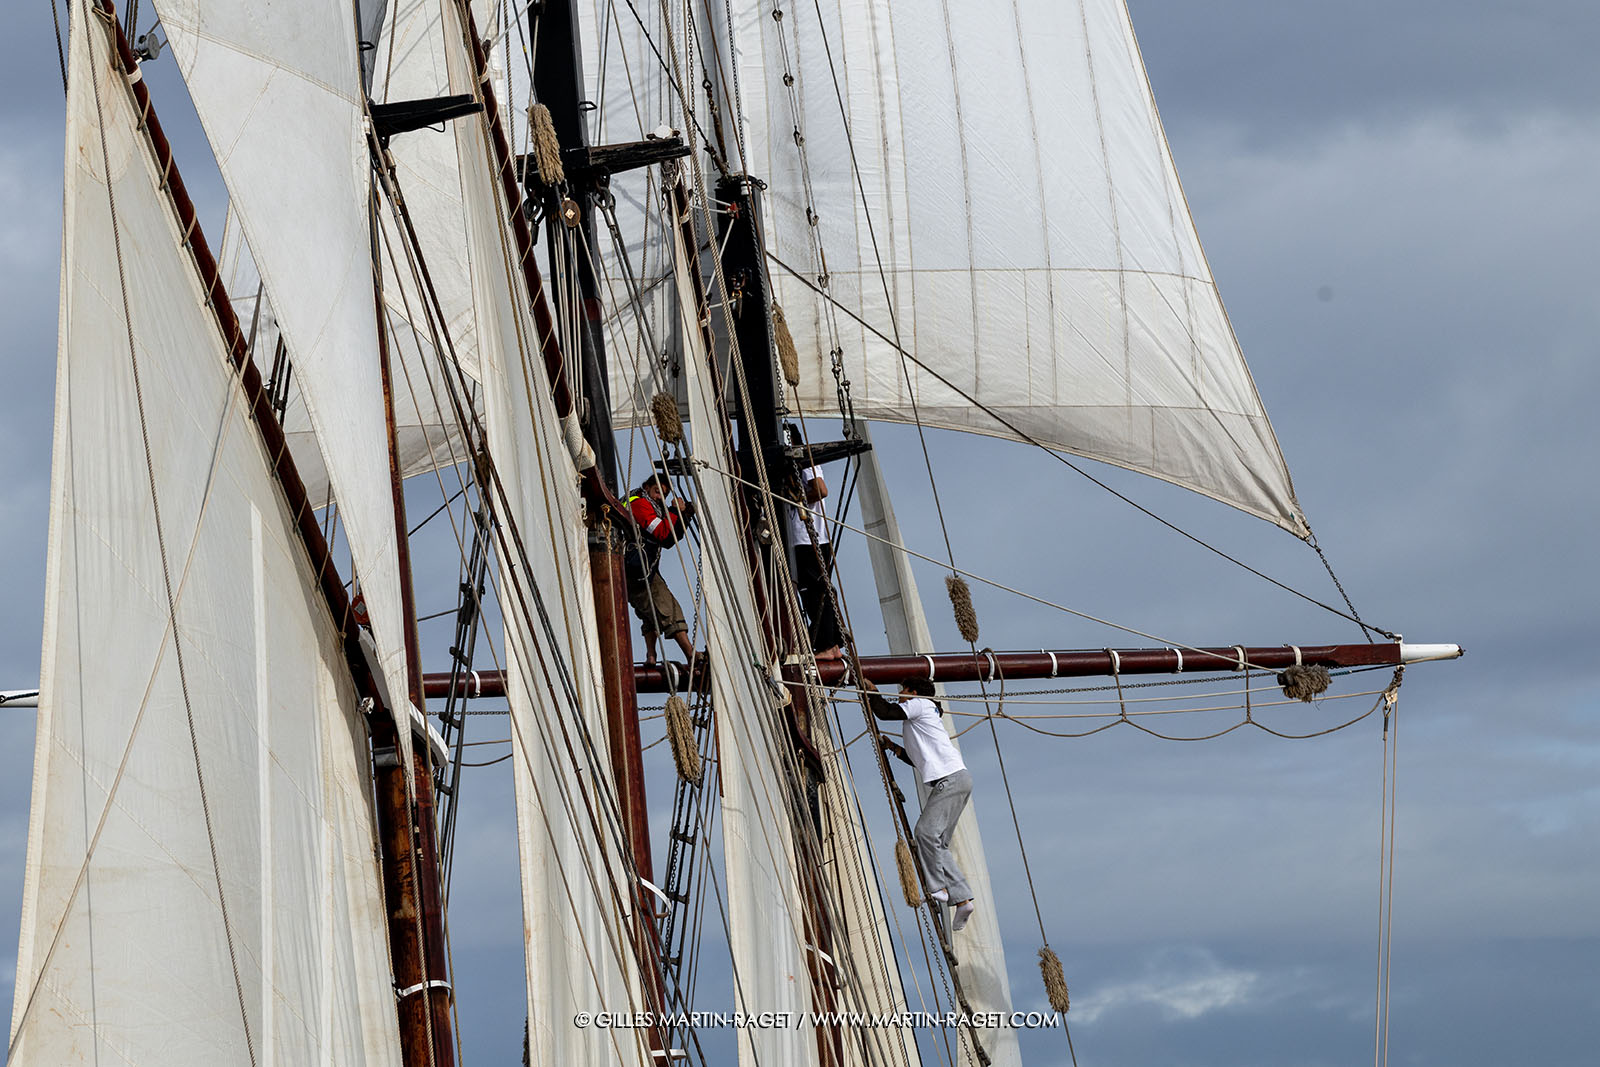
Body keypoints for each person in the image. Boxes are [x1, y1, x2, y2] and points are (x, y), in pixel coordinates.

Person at [863, 677, 977, 932]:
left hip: (950, 781)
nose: (900, 694)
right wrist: (894, 748)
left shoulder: (920, 704)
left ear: (913, 692)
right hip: (957, 779)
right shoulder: (924, 720)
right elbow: (920, 761)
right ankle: (963, 900)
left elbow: (885, 712)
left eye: (902, 690)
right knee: (939, 843)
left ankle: (938, 888)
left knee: (924, 833)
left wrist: (872, 692)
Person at [623, 474, 697, 665]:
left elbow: (669, 540)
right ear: (647, 487)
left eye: (662, 495)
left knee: (650, 615)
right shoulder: (638, 504)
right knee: (669, 608)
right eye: (657, 492)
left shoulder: (651, 506)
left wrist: (684, 517)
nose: (659, 497)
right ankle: (691, 654)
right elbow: (661, 532)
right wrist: (673, 510)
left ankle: (651, 656)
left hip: (641, 570)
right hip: (636, 571)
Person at [786, 456, 845, 661]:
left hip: (809, 539)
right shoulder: (798, 465)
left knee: (815, 591)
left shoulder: (804, 462)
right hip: (805, 539)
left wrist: (791, 499)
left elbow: (821, 490)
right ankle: (834, 643)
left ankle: (828, 645)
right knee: (816, 590)